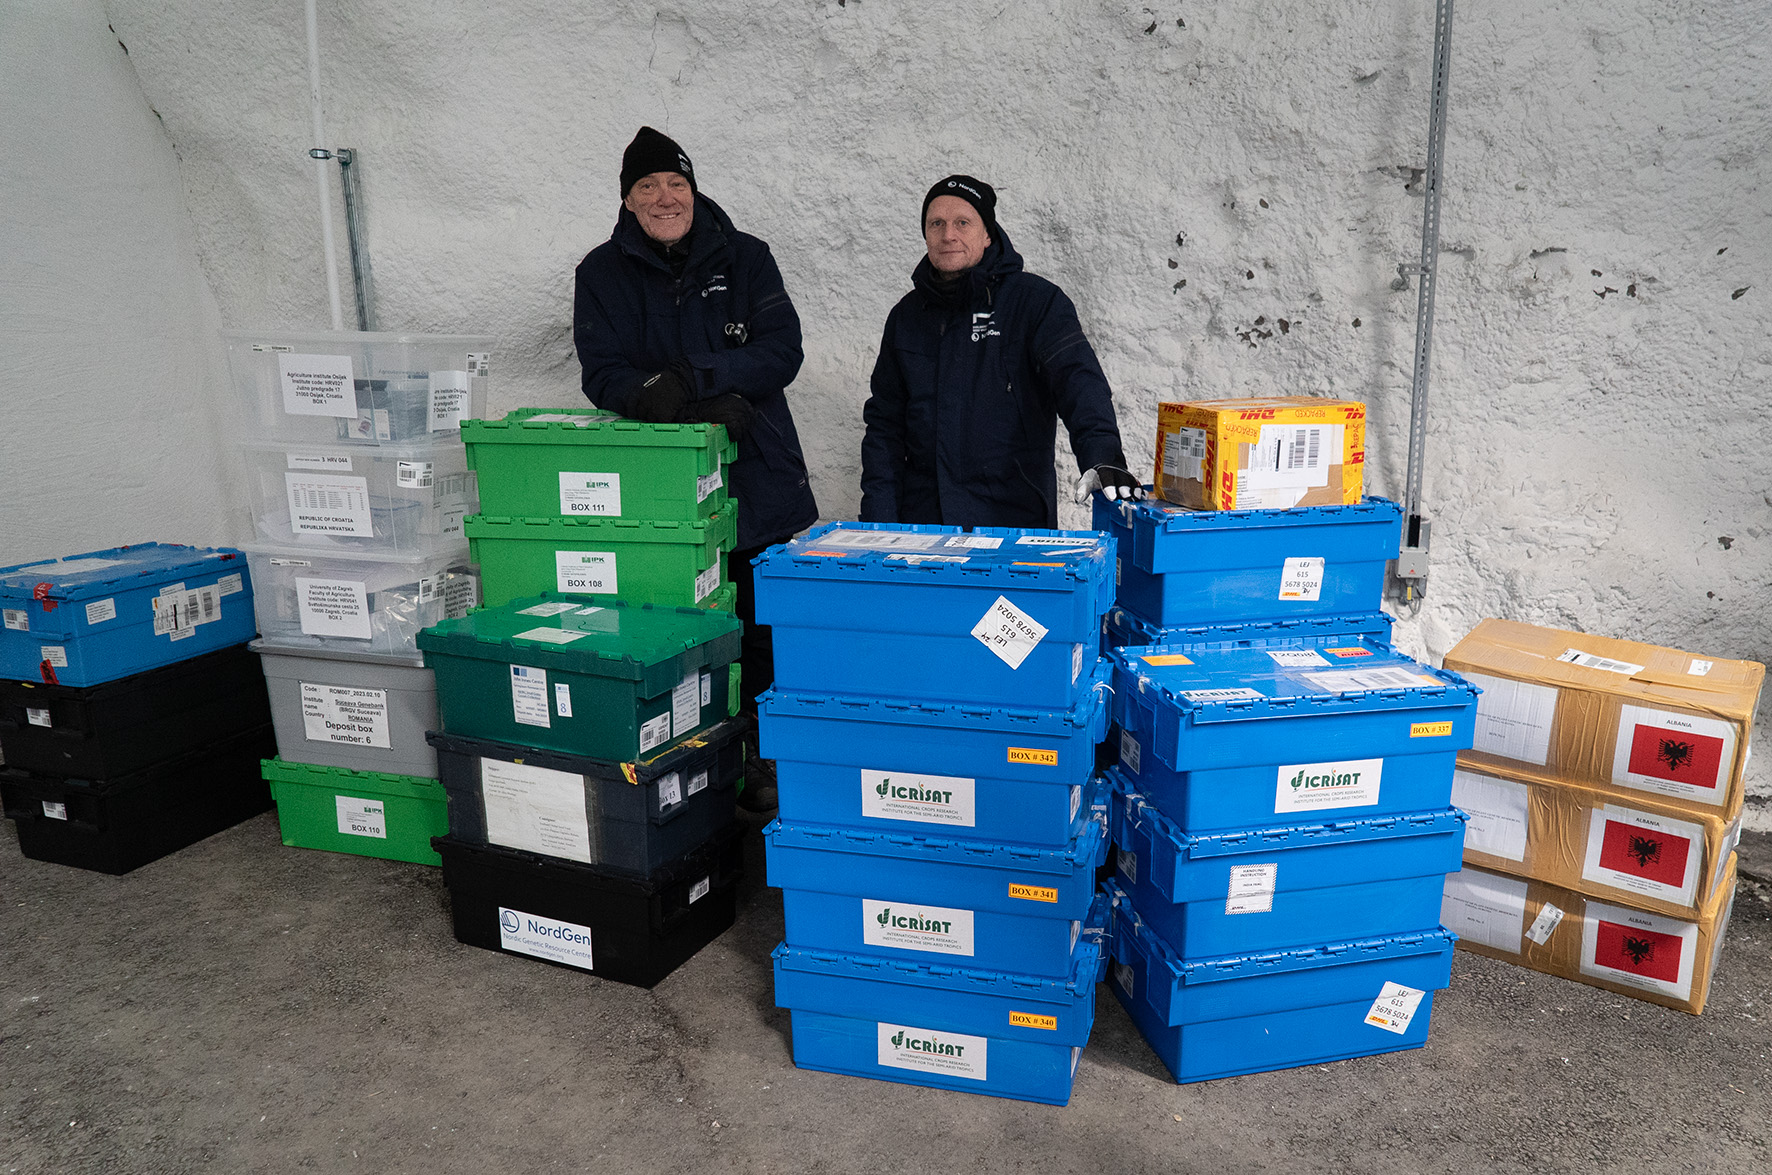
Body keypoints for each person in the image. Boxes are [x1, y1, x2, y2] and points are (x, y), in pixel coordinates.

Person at [574, 126, 818, 811]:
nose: (664, 196)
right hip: (666, 496)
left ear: (694, 188)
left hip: (760, 480)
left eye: (675, 183)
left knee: (765, 635)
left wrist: (704, 377)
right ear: (627, 199)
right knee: (686, 636)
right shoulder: (599, 274)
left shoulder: (747, 258)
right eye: (647, 185)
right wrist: (651, 399)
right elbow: (603, 372)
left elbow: (784, 350)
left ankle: (769, 766)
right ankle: (699, 769)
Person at [860, 174, 1142, 529]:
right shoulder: (907, 318)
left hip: (1011, 519)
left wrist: (1103, 458)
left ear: (987, 233)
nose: (949, 234)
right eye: (937, 223)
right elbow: (884, 430)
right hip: (924, 524)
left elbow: (1079, 383)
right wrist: (877, 524)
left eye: (963, 222)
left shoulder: (1036, 304)